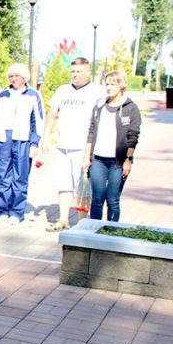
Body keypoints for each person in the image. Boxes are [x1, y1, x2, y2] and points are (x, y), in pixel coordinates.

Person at [41, 56, 107, 231]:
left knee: (83, 187)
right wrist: (45, 137)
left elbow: (103, 118)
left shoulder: (97, 91)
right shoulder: (63, 91)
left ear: (87, 71)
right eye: (73, 72)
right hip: (63, 145)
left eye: (79, 72)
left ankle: (82, 222)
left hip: (83, 147)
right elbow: (52, 114)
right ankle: (63, 219)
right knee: (64, 184)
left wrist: (94, 147)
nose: (75, 75)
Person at [0, 63, 45, 225]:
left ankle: (17, 211)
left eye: (16, 76)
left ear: (24, 77)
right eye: (11, 76)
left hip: (23, 139)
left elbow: (37, 120)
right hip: (3, 138)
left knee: (20, 176)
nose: (13, 79)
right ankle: (3, 210)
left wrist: (35, 143)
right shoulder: (3, 95)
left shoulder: (33, 95)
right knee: (3, 175)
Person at [82, 71, 141, 222]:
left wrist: (128, 159)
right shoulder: (100, 105)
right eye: (107, 83)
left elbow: (133, 136)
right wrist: (87, 157)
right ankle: (93, 230)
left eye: (113, 84)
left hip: (118, 161)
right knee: (97, 198)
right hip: (98, 159)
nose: (109, 87)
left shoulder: (130, 108)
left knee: (112, 199)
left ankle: (111, 230)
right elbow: (91, 131)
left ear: (122, 85)